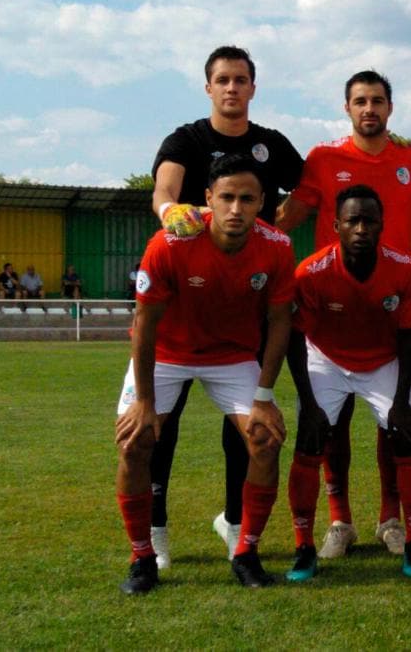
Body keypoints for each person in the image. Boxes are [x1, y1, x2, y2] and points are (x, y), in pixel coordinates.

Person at [147, 45, 304, 569]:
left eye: (241, 79)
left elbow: (313, 189)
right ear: (208, 87)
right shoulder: (186, 139)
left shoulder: (272, 145)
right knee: (160, 424)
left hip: (242, 306)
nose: (232, 88)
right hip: (183, 302)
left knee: (246, 423)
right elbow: (164, 190)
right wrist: (172, 212)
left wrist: (271, 230)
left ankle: (236, 522)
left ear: (253, 88)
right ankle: (156, 528)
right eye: (223, 80)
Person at [113, 153, 295, 594]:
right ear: (209, 198)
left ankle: (246, 552)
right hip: (167, 353)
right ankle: (142, 559)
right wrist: (145, 402)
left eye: (247, 199)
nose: (236, 209)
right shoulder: (170, 243)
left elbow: (280, 322)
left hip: (231, 357)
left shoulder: (276, 247)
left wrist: (264, 396)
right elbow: (144, 324)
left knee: (265, 440)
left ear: (262, 202)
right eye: (227, 197)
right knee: (136, 443)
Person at [277, 69, 411, 560]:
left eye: (378, 100)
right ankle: (338, 521)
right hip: (333, 315)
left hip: (391, 314)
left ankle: (392, 519)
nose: (370, 108)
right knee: (329, 428)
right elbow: (291, 216)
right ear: (347, 108)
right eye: (360, 101)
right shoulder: (325, 158)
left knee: (396, 428)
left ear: (391, 108)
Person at [284, 185, 411, 581]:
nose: (361, 228)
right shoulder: (311, 272)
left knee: (405, 436)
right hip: (326, 359)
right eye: (353, 221)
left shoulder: (401, 268)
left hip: (383, 361)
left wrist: (401, 399)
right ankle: (304, 548)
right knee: (310, 439)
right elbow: (295, 339)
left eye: (369, 220)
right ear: (336, 226)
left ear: (383, 225)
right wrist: (308, 402)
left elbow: (410, 334)